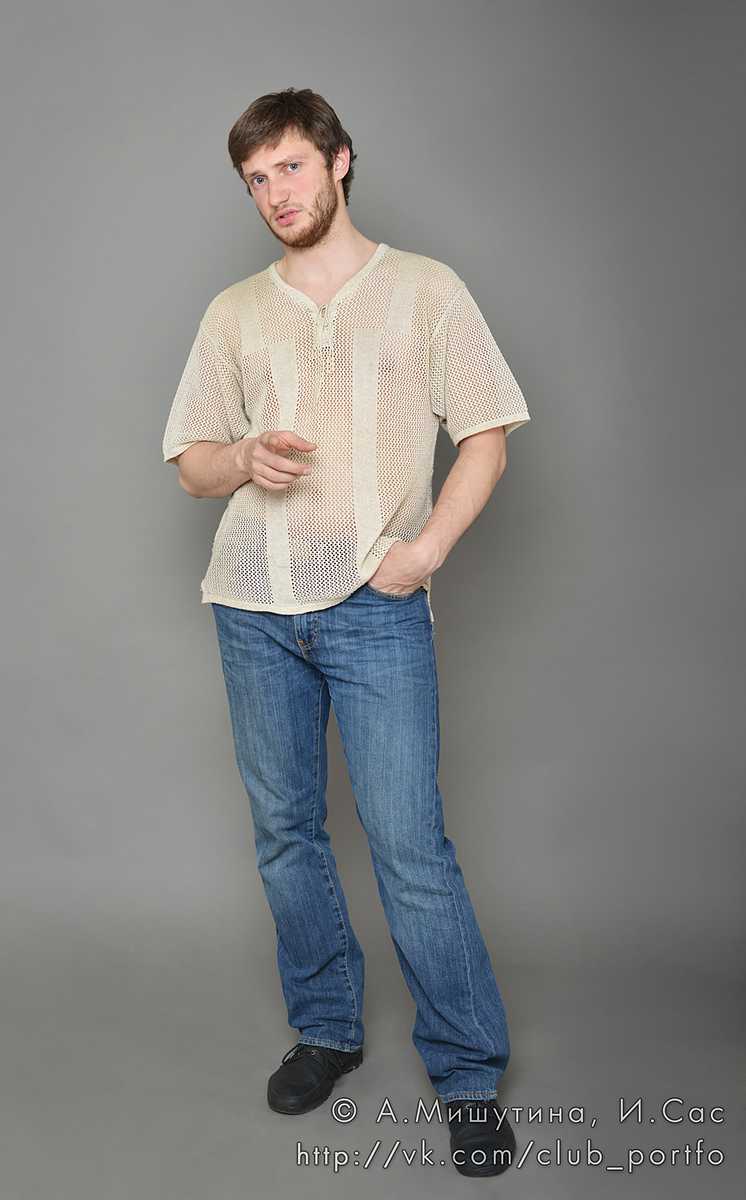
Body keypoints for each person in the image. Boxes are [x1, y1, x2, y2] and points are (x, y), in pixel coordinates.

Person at [163, 88, 529, 1178]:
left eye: (289, 166)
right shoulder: (234, 312)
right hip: (252, 604)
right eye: (255, 179)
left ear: (339, 161)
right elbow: (192, 464)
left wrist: (425, 553)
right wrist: (242, 459)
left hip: (377, 607)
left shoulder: (425, 290)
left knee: (409, 844)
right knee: (286, 833)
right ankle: (326, 1031)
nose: (275, 193)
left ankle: (468, 1076)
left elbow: (487, 433)